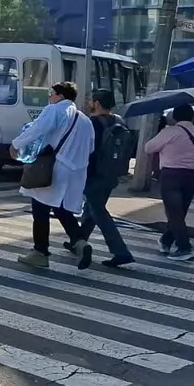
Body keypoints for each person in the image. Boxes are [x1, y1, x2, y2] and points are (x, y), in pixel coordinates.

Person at [10, 82, 95, 270]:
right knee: (61, 209)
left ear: (60, 96)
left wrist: (15, 144)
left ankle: (40, 252)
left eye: (52, 94)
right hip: (77, 171)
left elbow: (37, 129)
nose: (50, 98)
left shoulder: (54, 110)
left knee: (40, 209)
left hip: (55, 169)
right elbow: (91, 148)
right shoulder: (85, 119)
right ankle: (81, 242)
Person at [75, 89, 134, 267]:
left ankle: (121, 252)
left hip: (94, 175)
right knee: (91, 210)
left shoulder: (92, 123)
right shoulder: (119, 121)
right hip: (112, 174)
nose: (89, 103)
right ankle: (77, 241)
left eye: (91, 101)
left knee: (99, 213)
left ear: (97, 104)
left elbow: (86, 150)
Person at [144, 104, 194, 262]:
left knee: (174, 213)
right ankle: (166, 240)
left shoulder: (169, 132)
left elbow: (148, 148)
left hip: (171, 175)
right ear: (192, 117)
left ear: (175, 117)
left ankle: (184, 247)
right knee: (180, 211)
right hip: (192, 175)